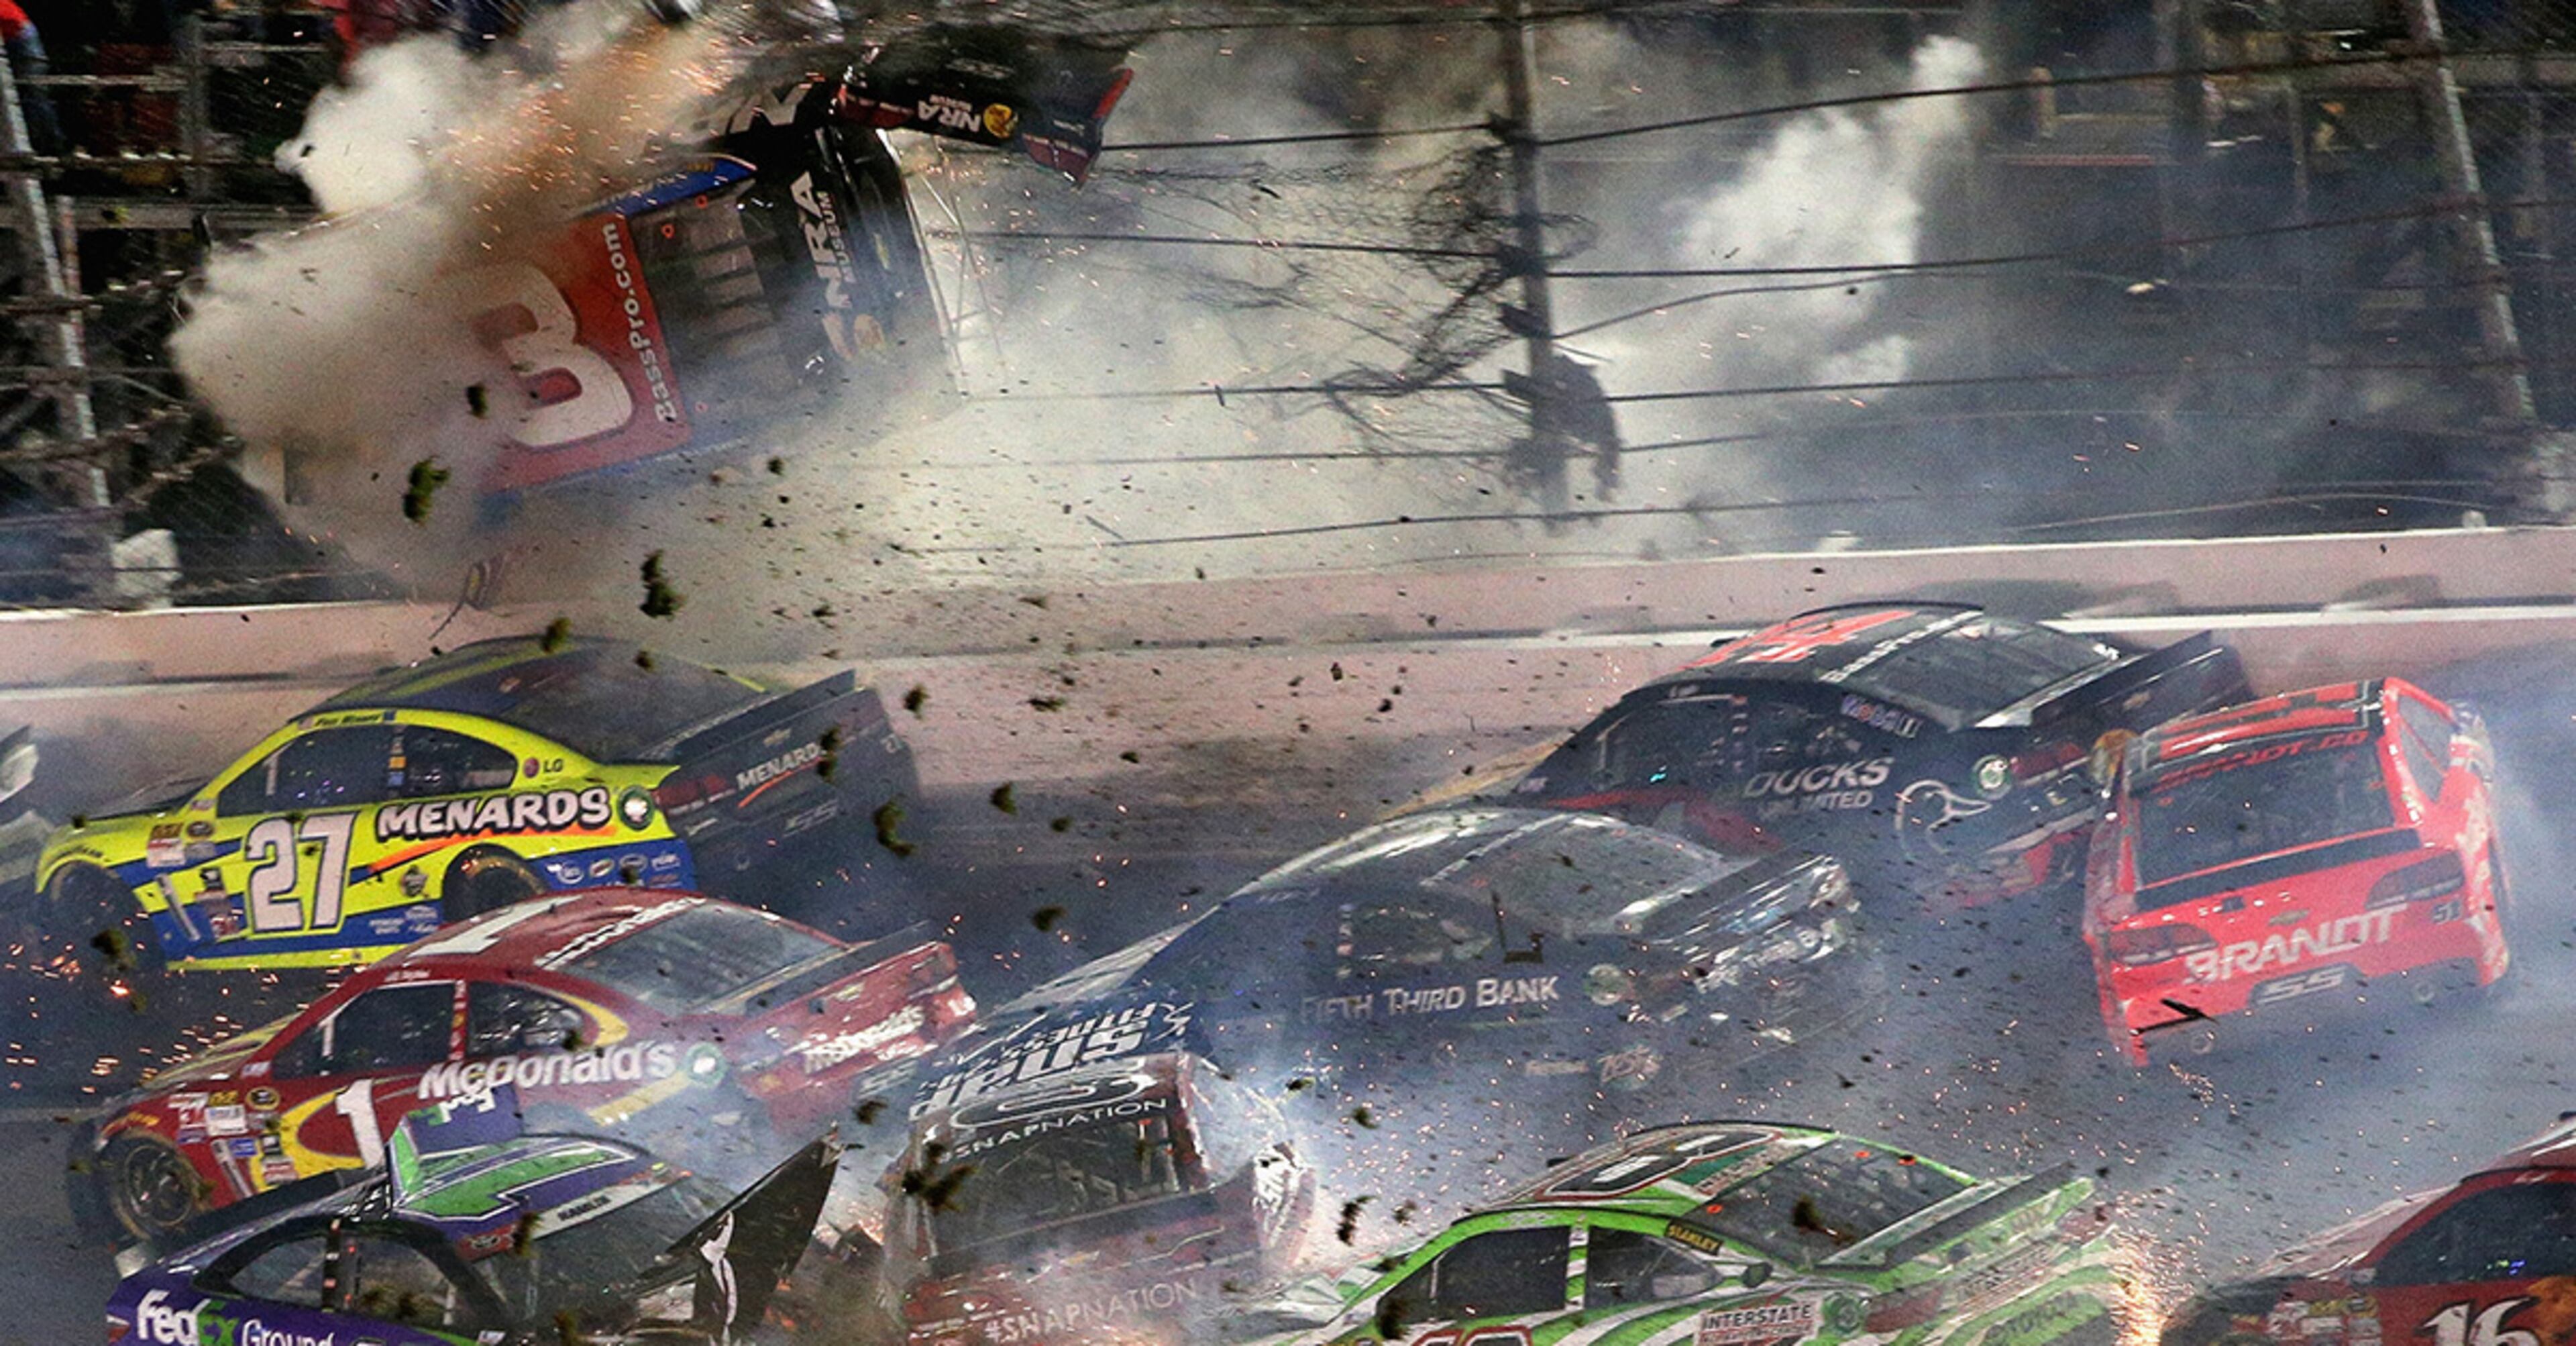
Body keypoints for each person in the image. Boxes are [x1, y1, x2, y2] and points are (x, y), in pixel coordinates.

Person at [0, 0, 64, 155]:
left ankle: (52, 147)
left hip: (20, 37)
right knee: (29, 95)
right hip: (16, 36)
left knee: (34, 93)